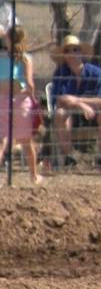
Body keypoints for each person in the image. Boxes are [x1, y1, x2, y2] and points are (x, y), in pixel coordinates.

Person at [50, 34, 101, 168]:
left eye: (75, 49)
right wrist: (81, 105)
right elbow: (60, 100)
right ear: (64, 55)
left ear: (81, 52)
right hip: (71, 116)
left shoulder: (96, 72)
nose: (72, 53)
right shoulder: (60, 73)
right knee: (60, 113)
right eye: (67, 51)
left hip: (94, 115)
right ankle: (69, 158)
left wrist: (77, 100)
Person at [0, 26, 43, 184]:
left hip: (2, 100)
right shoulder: (25, 59)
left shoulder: (1, 57)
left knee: (2, 139)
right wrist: (32, 97)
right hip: (20, 100)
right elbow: (30, 84)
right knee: (26, 141)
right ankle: (33, 175)